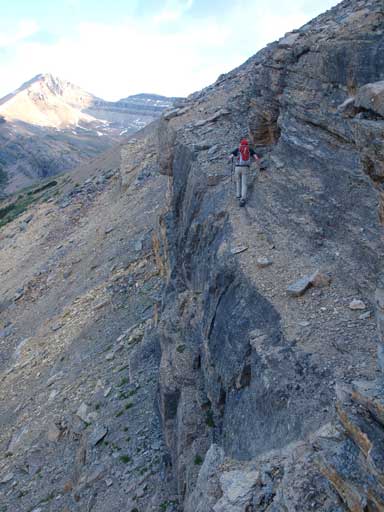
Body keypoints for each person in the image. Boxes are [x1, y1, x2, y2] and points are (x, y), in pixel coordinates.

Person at [229, 139, 260, 207]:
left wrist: (232, 157)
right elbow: (256, 158)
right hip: (245, 168)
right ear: (247, 144)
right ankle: (243, 199)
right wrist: (258, 164)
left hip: (237, 168)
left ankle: (238, 195)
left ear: (241, 144)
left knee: (238, 181)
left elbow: (230, 156)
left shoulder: (238, 149)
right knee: (244, 184)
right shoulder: (250, 149)